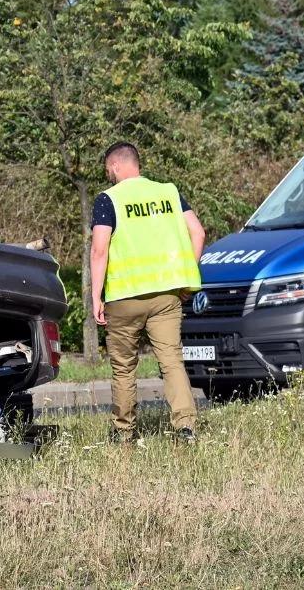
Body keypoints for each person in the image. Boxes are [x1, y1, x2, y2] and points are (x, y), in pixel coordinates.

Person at [90, 142, 206, 443]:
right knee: (171, 361)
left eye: (107, 171)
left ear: (115, 166)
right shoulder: (168, 192)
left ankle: (124, 431)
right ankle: (185, 426)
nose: (109, 176)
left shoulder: (108, 199)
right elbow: (199, 232)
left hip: (124, 296)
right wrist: (186, 277)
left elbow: (100, 249)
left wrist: (96, 297)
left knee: (124, 367)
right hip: (167, 294)